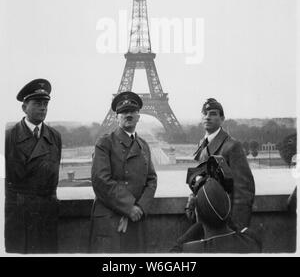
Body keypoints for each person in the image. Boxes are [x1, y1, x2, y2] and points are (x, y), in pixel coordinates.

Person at [172, 98, 255, 251]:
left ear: (222, 119)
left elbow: (244, 191)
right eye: (204, 114)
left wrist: (238, 228)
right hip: (205, 219)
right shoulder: (203, 143)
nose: (207, 117)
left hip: (223, 226)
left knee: (178, 248)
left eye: (213, 114)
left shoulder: (232, 146)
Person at [89, 91, 157, 253]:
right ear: (116, 117)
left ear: (138, 116)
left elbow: (151, 180)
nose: (128, 115)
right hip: (111, 217)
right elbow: (100, 179)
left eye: (132, 111)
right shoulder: (104, 143)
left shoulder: (143, 145)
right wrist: (128, 207)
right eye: (124, 112)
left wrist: (138, 208)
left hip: (135, 217)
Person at [5, 79, 62, 253]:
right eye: (37, 103)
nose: (43, 108)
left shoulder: (55, 137)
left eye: (45, 104)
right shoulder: (8, 137)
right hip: (20, 214)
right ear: (24, 107)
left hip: (46, 213)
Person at [183, 177, 261, 253]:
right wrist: (220, 207)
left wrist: (196, 212)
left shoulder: (192, 250)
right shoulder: (252, 241)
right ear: (228, 207)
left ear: (198, 216)